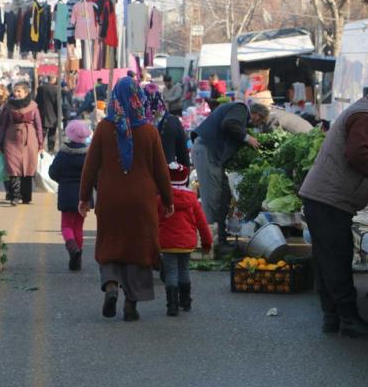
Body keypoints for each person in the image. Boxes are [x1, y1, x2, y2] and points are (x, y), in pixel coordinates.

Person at [299, 83, 368, 340]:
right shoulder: (364, 116)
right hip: (329, 200)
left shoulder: (364, 113)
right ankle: (349, 319)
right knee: (337, 259)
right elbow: (357, 153)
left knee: (327, 260)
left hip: (324, 199)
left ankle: (332, 317)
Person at [79, 77, 173, 322]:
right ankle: (131, 304)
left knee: (110, 244)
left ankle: (111, 285)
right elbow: (161, 169)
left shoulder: (103, 128)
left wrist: (84, 198)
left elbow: (90, 167)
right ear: (137, 97)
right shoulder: (149, 130)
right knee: (138, 248)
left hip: (110, 198)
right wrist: (168, 199)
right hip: (142, 200)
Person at [191, 101, 259, 251]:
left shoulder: (236, 111)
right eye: (258, 120)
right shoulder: (240, 108)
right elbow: (228, 124)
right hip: (207, 152)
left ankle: (220, 239)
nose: (255, 124)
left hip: (212, 155)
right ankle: (209, 245)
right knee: (212, 199)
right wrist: (247, 138)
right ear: (255, 114)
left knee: (223, 195)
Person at [158, 162, 213, 316]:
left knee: (171, 272)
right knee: (184, 269)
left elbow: (153, 221)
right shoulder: (192, 200)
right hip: (187, 242)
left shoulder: (160, 199)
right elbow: (202, 223)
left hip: (167, 242)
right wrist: (207, 242)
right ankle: (186, 301)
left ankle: (172, 305)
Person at [49, 119, 92, 271]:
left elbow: (53, 172)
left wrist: (62, 180)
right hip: (84, 195)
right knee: (79, 226)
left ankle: (72, 248)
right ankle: (78, 258)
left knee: (66, 225)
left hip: (66, 193)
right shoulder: (89, 154)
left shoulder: (64, 153)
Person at [0, 81, 43, 205]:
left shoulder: (33, 106)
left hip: (29, 139)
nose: (16, 93)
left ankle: (26, 196)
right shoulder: (8, 106)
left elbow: (38, 125)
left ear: (26, 93)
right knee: (13, 167)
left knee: (28, 167)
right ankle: (14, 196)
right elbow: (3, 125)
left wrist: (40, 143)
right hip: (11, 138)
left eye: (19, 91)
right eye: (15, 91)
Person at [143, 83, 190, 168]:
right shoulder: (172, 121)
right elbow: (183, 153)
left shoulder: (139, 125)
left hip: (148, 175)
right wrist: (185, 176)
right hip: (170, 173)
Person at [249, 103, 314, 134]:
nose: (251, 120)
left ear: (257, 115)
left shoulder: (273, 121)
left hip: (307, 135)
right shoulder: (272, 112)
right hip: (309, 130)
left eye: (251, 116)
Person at [36, 74, 60, 152]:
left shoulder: (41, 88)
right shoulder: (56, 89)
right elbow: (58, 104)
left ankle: (39, 147)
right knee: (52, 134)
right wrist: (59, 115)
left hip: (42, 113)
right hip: (53, 114)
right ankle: (51, 148)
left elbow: (37, 101)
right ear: (53, 80)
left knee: (41, 132)